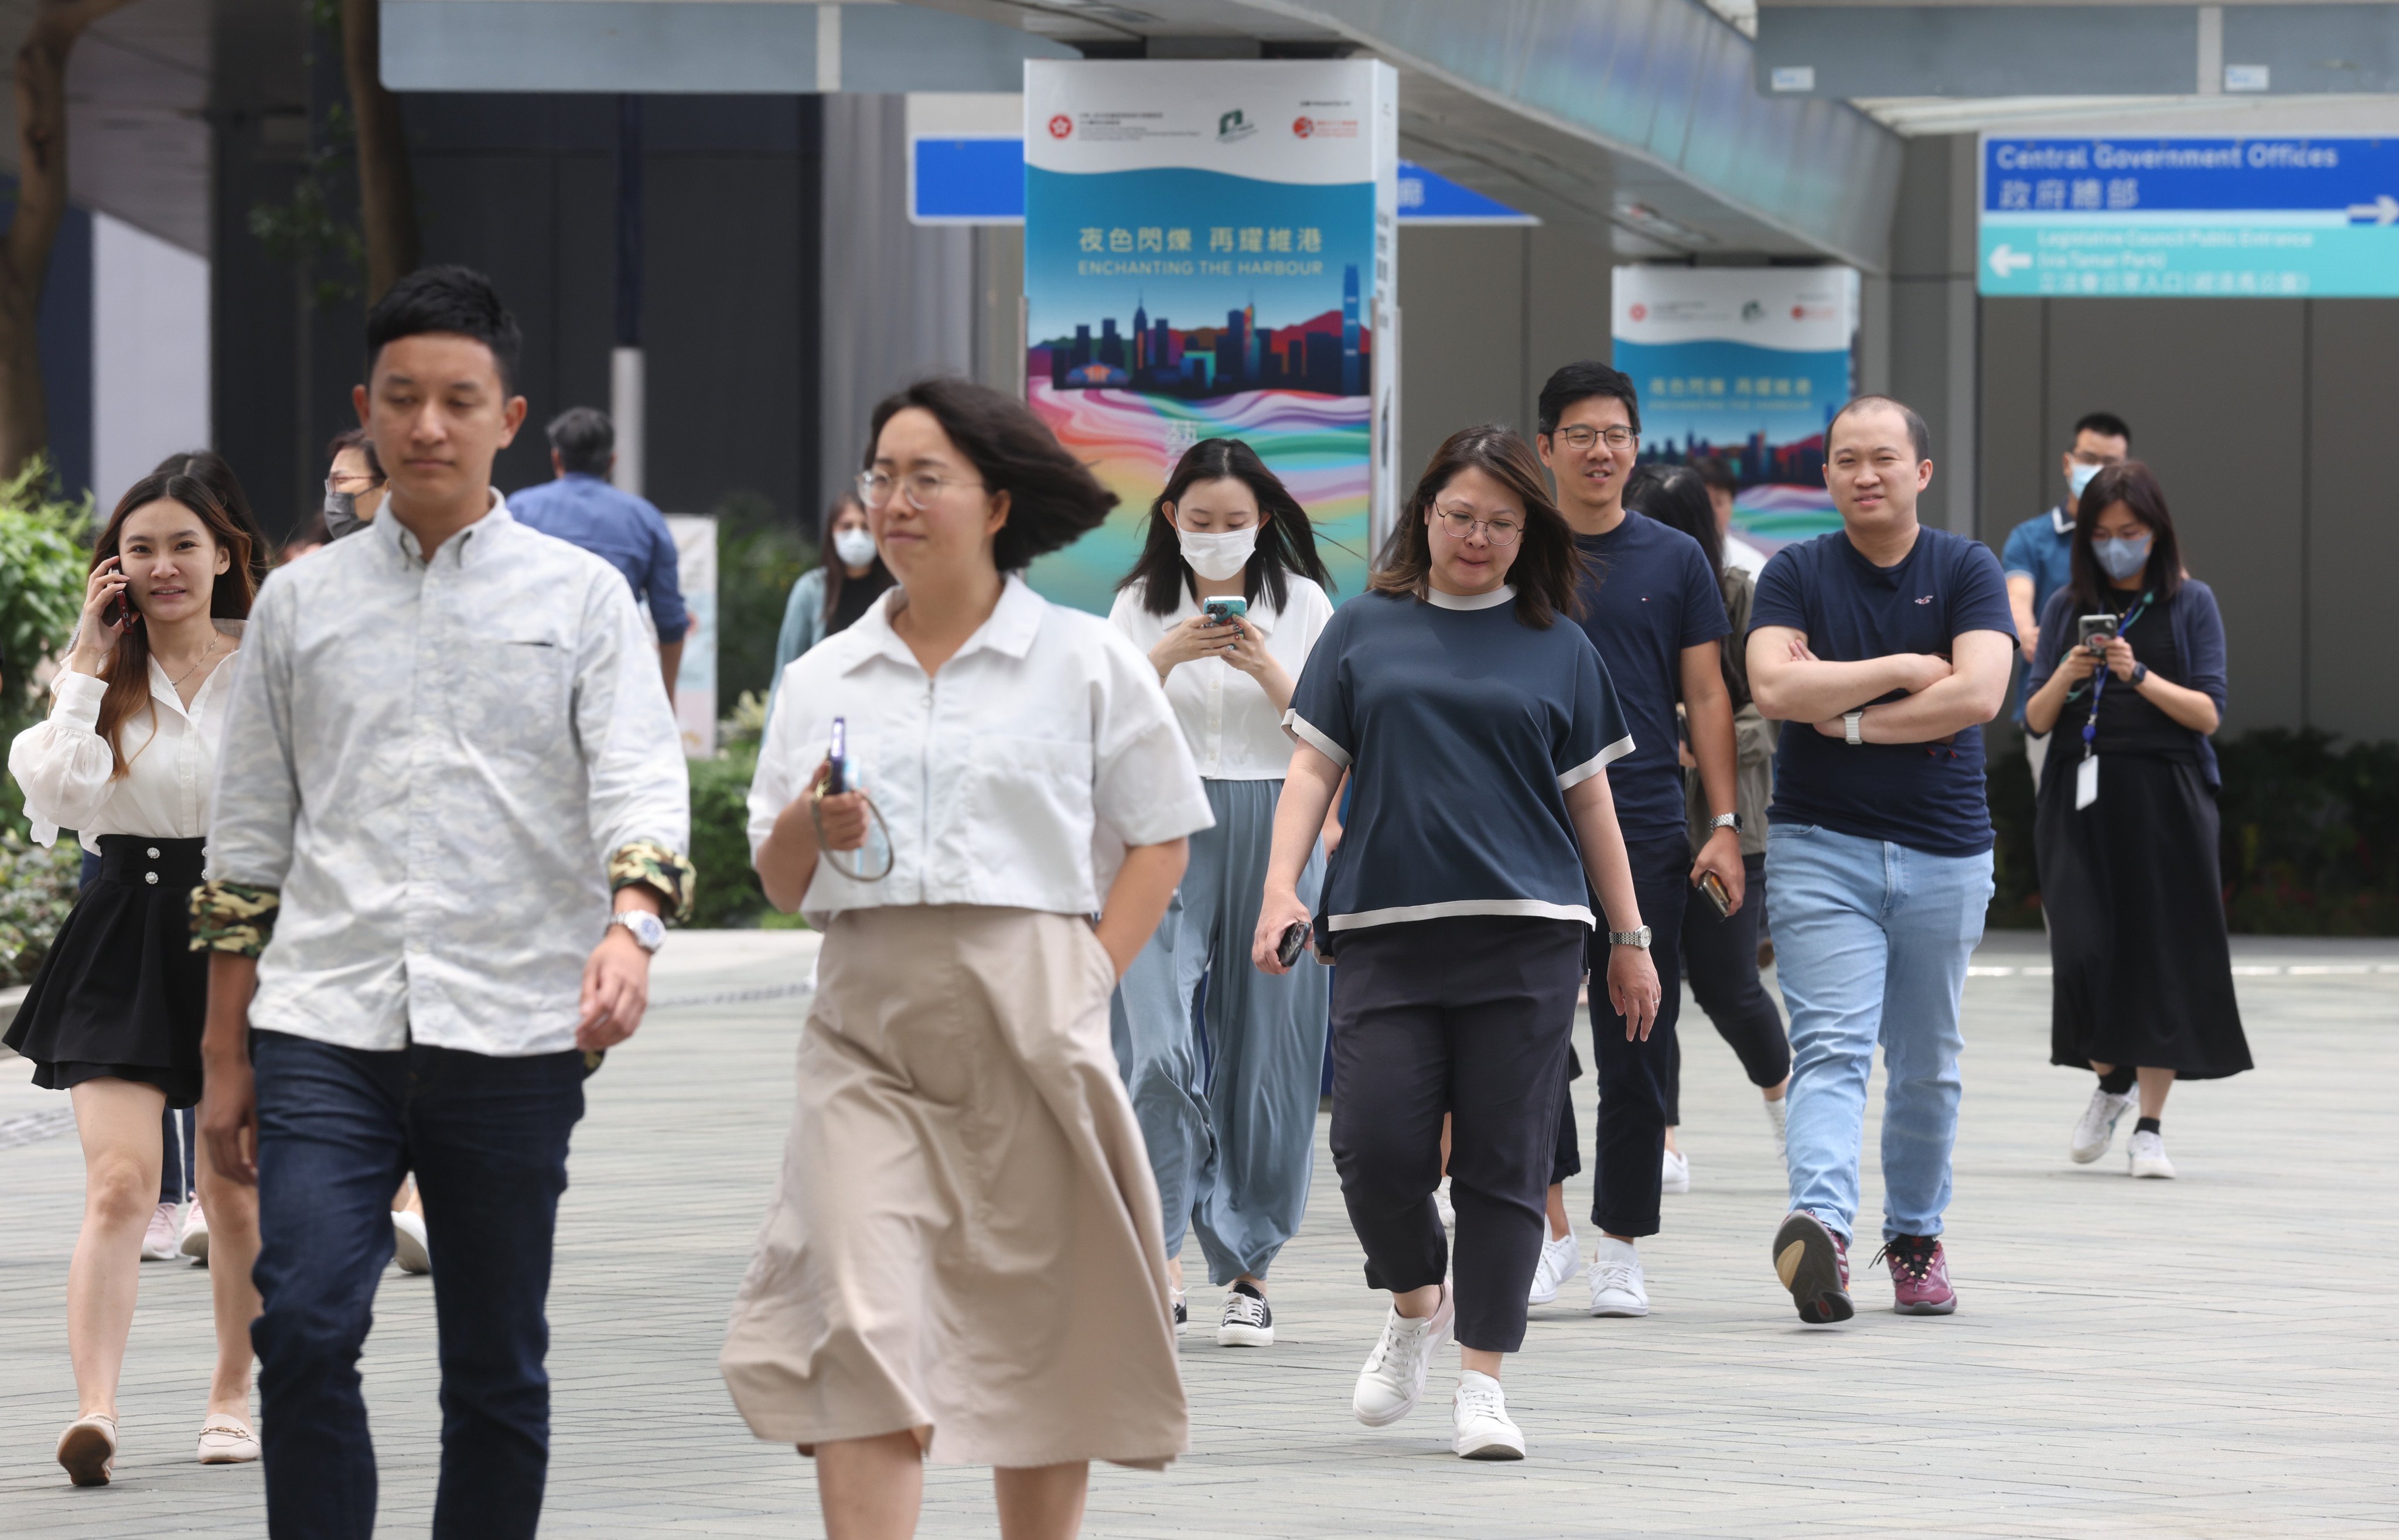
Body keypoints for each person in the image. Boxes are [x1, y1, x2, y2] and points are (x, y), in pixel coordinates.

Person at [195, 265, 693, 1539]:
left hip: (516, 1025)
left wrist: (630, 927)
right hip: (325, 1023)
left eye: (458, 400)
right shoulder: (300, 602)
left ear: (508, 416)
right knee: (302, 1327)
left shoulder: (583, 597)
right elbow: (248, 834)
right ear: (366, 407)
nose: (428, 426)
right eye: (403, 399)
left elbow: (642, 778)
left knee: (495, 1368)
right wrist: (221, 1054)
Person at [726, 378, 1207, 1539]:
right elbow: (782, 881)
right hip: (864, 1034)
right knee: (856, 1316)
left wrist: (1087, 977)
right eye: (881, 475)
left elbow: (1160, 838)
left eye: (923, 476)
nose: (892, 501)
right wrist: (810, 824)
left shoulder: (1085, 661)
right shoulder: (824, 676)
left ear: (996, 502)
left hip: (1032, 1011)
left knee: (1035, 1324)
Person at [1253, 424, 1660, 1462]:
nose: (1477, 537)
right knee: (1373, 1147)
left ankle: (1483, 1379)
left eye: (1501, 522)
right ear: (1424, 513)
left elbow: (1593, 800)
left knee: (1503, 1161)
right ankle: (1413, 1302)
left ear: (1531, 531)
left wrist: (1629, 935)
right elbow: (1311, 772)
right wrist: (1278, 888)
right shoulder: (1361, 629)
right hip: (1385, 931)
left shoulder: (1560, 645)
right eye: (1460, 516)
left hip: (1527, 937)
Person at [5, 472, 264, 1483]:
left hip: (246, 930)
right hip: (124, 927)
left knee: (235, 1194)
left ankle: (231, 1393)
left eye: (184, 545)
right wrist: (83, 651)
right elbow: (54, 796)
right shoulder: (97, 678)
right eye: (142, 548)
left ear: (223, 554)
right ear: (115, 568)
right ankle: (94, 1410)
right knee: (119, 1184)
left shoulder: (270, 665)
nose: (164, 566)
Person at [1745, 394, 2015, 1324]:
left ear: (1919, 473)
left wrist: (1848, 719)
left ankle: (1913, 1237)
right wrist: (1906, 667)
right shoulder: (1792, 573)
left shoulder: (1966, 567)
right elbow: (1775, 684)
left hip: (1945, 851)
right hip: (1820, 847)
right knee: (1828, 1047)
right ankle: (1819, 1232)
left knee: (1927, 1057)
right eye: (1844, 459)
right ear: (1823, 475)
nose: (1864, 474)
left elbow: (1979, 692)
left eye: (1882, 459)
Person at [1105, 436, 1336, 1344]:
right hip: (1161, 824)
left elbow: (1329, 730)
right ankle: (1159, 1252)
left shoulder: (1305, 603)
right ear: (1170, 519)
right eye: (1198, 522)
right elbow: (1109, 718)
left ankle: (1249, 1266)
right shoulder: (1136, 605)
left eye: (1233, 524)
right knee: (1154, 1045)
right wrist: (1163, 653)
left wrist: (1261, 665)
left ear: (1263, 523)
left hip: (1276, 822)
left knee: (1268, 1049)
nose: (1215, 538)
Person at [1527, 364, 1741, 1320]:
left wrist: (1724, 825)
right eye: (1581, 433)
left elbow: (1706, 695)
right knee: (1523, 1038)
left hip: (1648, 817)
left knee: (1637, 1039)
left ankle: (1621, 1244)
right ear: (1546, 446)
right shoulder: (1518, 549)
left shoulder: (1675, 559)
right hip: (1525, 820)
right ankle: (1548, 1228)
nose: (1602, 450)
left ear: (1635, 442)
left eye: (1617, 433)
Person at [2021, 461, 2247, 1180]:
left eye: (2132, 533)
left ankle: (2148, 1125)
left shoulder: (2191, 602)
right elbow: (2032, 717)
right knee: (2082, 947)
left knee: (2161, 957)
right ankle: (2111, 1079)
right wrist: (2069, 671)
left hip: (2167, 793)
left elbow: (2208, 713)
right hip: (2080, 791)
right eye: (2105, 534)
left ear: (2157, 533)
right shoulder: (2064, 604)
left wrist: (2137, 674)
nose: (2118, 545)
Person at [1621, 465, 1791, 1157]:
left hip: (1729, 823)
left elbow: (1772, 707)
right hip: (1641, 818)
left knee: (1728, 985)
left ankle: (1785, 1101)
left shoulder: (1739, 594)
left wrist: (1698, 732)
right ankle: (1661, 1138)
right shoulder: (1617, 592)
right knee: (1644, 983)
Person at [510, 405, 690, 697]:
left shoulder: (519, 510)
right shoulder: (646, 519)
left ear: (557, 458)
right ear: (612, 462)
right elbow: (670, 624)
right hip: (614, 678)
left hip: (532, 677)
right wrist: (666, 699)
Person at [2001, 412, 2130, 787]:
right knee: (2060, 827)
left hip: (2130, 698)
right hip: (2053, 705)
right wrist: (2026, 633)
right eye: (2090, 458)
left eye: (2112, 464)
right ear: (2068, 462)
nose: (2099, 470)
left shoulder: (2139, 538)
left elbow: (2177, 592)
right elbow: (2017, 596)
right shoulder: (2030, 538)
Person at [769, 490, 895, 714]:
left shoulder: (897, 592)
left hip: (882, 710)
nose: (856, 536)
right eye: (847, 527)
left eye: (866, 527)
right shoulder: (811, 590)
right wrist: (771, 742)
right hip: (823, 712)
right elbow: (787, 669)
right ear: (832, 532)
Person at [1694, 456, 1767, 578]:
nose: (1710, 511)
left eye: (1719, 502)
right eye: (1703, 501)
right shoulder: (1668, 557)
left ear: (1732, 504)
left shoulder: (1753, 564)